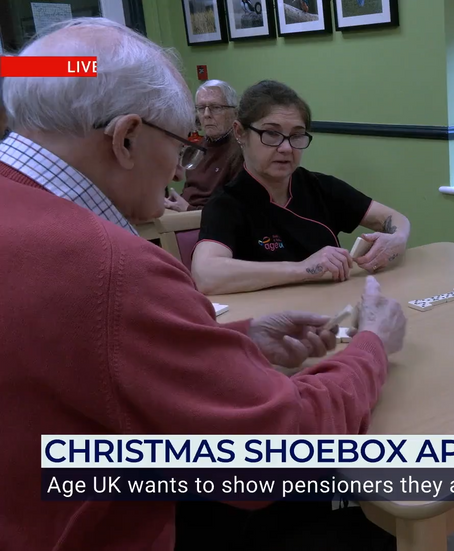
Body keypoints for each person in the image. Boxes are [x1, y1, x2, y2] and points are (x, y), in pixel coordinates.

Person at [0, 18, 405, 551]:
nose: (178, 170)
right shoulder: (112, 268)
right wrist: (370, 344)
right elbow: (278, 454)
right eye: (182, 146)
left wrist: (230, 342)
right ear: (125, 138)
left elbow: (91, 360)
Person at [192, 80, 412, 295]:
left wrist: (397, 238)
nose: (286, 148)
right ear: (240, 132)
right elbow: (206, 275)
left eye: (296, 136)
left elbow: (394, 219)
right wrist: (304, 268)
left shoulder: (320, 187)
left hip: (333, 310)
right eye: (272, 134)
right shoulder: (226, 204)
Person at [164, 79, 243, 212]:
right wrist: (175, 202)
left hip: (207, 222)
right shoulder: (195, 148)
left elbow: (234, 211)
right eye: (201, 108)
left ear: (234, 113)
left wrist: (188, 209)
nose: (206, 115)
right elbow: (191, 192)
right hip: (183, 216)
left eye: (216, 107)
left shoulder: (241, 151)